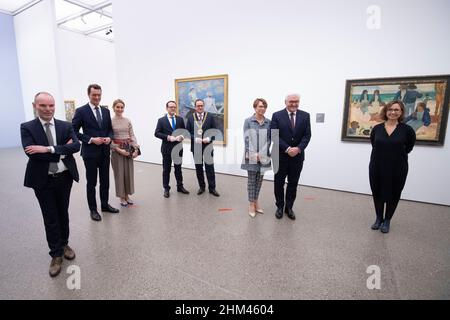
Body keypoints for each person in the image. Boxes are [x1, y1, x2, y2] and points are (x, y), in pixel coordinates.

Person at [21, 92, 80, 277]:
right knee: (50, 216)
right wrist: (63, 150)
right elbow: (32, 154)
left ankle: (64, 244)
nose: (48, 109)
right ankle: (55, 254)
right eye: (43, 106)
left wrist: (47, 149)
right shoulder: (27, 127)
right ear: (35, 106)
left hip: (64, 177)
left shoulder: (65, 125)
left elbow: (76, 146)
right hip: (43, 180)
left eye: (51, 105)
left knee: (63, 213)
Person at [72, 84, 119, 221]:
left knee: (105, 181)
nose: (97, 97)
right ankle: (93, 209)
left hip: (105, 152)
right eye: (94, 95)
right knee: (91, 182)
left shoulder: (105, 111)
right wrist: (91, 139)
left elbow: (110, 129)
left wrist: (109, 138)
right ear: (89, 95)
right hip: (90, 153)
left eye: (99, 95)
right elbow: (73, 131)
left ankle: (104, 205)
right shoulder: (81, 111)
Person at [369, 101, 416, 233]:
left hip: (397, 167)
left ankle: (387, 220)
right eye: (390, 109)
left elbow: (409, 148)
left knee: (394, 193)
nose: (393, 112)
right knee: (377, 192)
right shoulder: (377, 129)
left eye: (397, 110)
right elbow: (374, 144)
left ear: (401, 112)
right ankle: (379, 218)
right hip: (377, 165)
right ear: (386, 111)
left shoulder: (407, 130)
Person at [270, 93, 311, 220]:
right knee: (279, 183)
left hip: (297, 157)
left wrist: (298, 148)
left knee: (293, 183)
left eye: (296, 101)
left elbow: (307, 135)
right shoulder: (277, 115)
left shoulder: (305, 115)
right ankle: (280, 207)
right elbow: (274, 135)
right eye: (291, 101)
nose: (294, 104)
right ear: (285, 102)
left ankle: (289, 207)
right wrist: (287, 149)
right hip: (280, 156)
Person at [241, 98, 271, 218]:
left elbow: (270, 139)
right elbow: (247, 138)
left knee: (259, 181)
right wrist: (254, 154)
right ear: (255, 107)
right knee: (251, 180)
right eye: (260, 106)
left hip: (264, 156)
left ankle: (256, 201)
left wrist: (262, 154)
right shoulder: (248, 121)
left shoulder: (269, 122)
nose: (262, 108)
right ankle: (251, 204)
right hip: (251, 155)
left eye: (264, 106)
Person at [154, 100, 190, 198]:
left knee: (178, 169)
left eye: (174, 107)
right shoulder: (161, 120)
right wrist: (168, 137)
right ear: (167, 108)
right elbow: (156, 133)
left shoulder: (180, 119)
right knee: (166, 169)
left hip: (178, 148)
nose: (173, 108)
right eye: (171, 107)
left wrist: (182, 137)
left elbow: (185, 131)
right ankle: (166, 188)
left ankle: (180, 186)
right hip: (166, 149)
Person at [186, 99, 220, 196]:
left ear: (204, 106)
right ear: (195, 107)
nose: (200, 107)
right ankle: (201, 187)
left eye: (201, 105)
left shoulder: (210, 116)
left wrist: (209, 138)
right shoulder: (190, 117)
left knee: (210, 168)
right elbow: (187, 133)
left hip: (208, 146)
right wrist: (194, 138)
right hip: (196, 147)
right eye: (198, 106)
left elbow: (215, 131)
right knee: (199, 168)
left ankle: (212, 188)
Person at [110, 99, 140, 207]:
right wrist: (118, 149)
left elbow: (132, 135)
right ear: (113, 108)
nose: (120, 109)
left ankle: (127, 195)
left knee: (128, 174)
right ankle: (121, 197)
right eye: (117, 107)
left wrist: (136, 148)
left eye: (121, 107)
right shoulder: (110, 121)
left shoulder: (127, 120)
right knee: (119, 175)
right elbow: (109, 138)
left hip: (128, 149)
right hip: (117, 151)